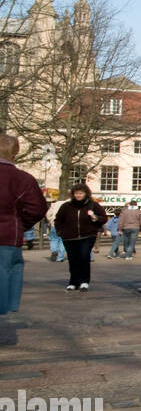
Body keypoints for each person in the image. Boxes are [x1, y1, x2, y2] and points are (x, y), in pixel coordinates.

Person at [1, 134, 50, 319]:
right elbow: (37, 208)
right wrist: (20, 224)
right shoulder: (23, 179)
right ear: (14, 154)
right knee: (4, 277)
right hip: (7, 237)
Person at [53, 183, 108, 291]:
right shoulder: (66, 206)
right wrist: (60, 232)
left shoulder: (93, 205)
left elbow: (104, 218)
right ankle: (73, 282)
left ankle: (84, 281)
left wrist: (94, 217)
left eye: (81, 193)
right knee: (73, 259)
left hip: (87, 236)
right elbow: (58, 220)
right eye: (76, 193)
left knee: (84, 257)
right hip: (69, 237)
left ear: (86, 194)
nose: (78, 195)